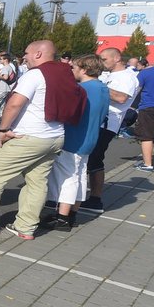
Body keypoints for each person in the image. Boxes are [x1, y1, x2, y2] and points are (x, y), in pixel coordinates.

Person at [0, 40, 86, 239]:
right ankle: (26, 226)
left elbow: (15, 104)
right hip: (55, 135)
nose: (24, 57)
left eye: (27, 53)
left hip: (30, 136)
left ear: (39, 54)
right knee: (37, 182)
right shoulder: (65, 73)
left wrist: (4, 128)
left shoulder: (36, 74)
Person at [41, 54, 109, 230]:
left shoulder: (82, 89)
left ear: (84, 69)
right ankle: (71, 214)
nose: (72, 70)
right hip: (90, 138)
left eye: (74, 67)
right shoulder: (102, 88)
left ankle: (62, 217)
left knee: (67, 177)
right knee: (79, 176)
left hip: (74, 138)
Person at [83, 48, 141, 210]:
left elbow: (122, 98)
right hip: (94, 120)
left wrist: (95, 86)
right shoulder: (105, 74)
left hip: (108, 123)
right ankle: (81, 196)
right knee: (86, 158)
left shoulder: (128, 77)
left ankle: (95, 199)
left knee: (95, 158)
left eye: (104, 59)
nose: (101, 62)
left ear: (117, 58)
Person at [135, 62, 154, 173]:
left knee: (147, 136)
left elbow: (135, 89)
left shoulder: (145, 73)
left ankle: (147, 164)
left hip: (149, 106)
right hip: (149, 106)